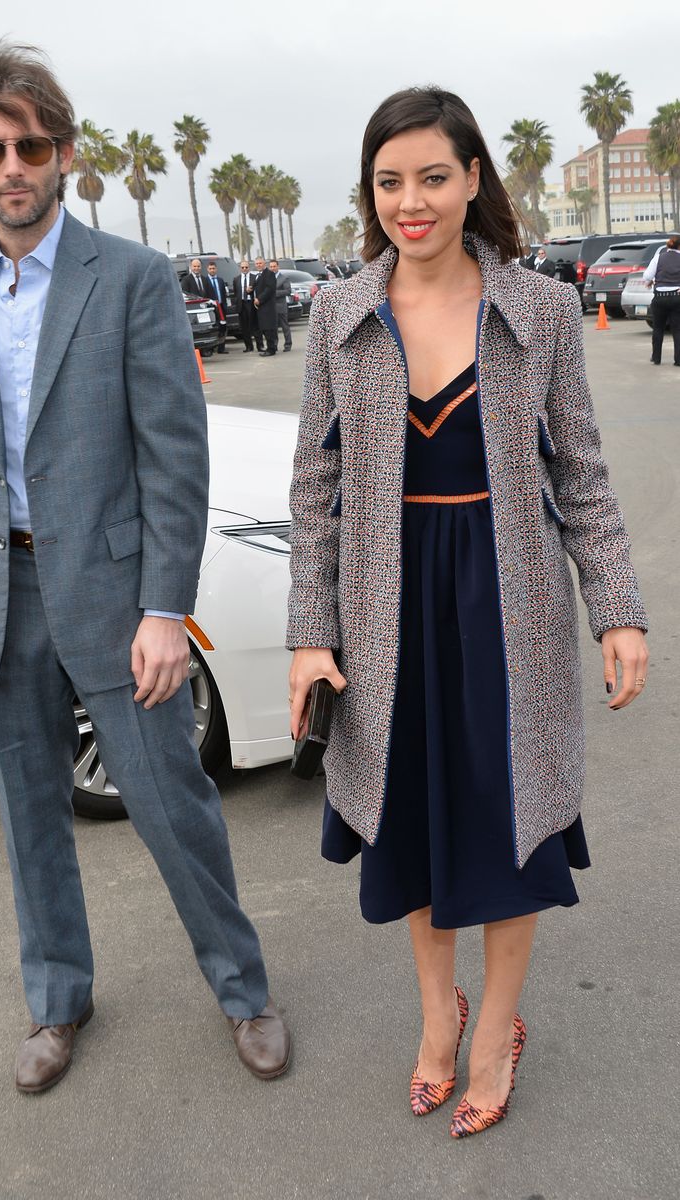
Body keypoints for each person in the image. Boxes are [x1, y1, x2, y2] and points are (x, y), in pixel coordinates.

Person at [0, 39, 290, 1096]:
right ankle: (56, 1001)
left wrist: (168, 607)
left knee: (171, 804)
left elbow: (176, 454)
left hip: (117, 598)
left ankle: (243, 986)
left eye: (31, 144)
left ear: (63, 153)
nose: (12, 164)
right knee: (30, 814)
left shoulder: (131, 278)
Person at [287, 86, 648, 1139]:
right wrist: (314, 632)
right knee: (409, 816)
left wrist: (615, 609)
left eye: (433, 176)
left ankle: (495, 1030)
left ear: (473, 178)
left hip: (509, 600)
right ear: (372, 192)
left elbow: (579, 473)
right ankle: (435, 1019)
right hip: (384, 604)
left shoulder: (537, 309)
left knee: (510, 816)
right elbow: (317, 490)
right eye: (390, 181)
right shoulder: (337, 313)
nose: (412, 200)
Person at [643, 235, 680, 366]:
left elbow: (647, 275)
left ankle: (656, 357)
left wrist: (651, 281)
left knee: (658, 328)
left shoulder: (659, 257)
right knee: (677, 329)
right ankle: (678, 359)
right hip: (677, 297)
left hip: (660, 297)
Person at [253, 256, 277, 356]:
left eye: (260, 263)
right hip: (260, 307)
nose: (259, 265)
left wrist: (259, 299)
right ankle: (270, 348)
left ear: (264, 264)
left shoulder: (269, 274)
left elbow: (269, 289)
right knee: (264, 328)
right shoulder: (257, 275)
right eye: (257, 263)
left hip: (267, 306)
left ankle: (271, 349)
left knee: (269, 328)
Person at [203, 259, 229, 353]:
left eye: (213, 268)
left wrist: (225, 306)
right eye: (210, 269)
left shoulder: (220, 280)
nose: (212, 270)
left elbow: (224, 294)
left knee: (223, 327)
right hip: (211, 308)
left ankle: (221, 348)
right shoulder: (205, 281)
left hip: (221, 307)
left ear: (216, 269)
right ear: (207, 269)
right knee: (213, 327)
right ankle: (211, 348)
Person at [232, 260, 258, 352]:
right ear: (240, 268)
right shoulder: (236, 279)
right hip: (241, 304)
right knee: (244, 327)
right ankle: (248, 346)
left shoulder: (254, 277)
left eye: (246, 267)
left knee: (255, 326)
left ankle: (260, 346)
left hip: (251, 304)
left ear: (249, 268)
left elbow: (258, 290)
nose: (244, 269)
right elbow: (236, 293)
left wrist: (252, 290)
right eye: (242, 267)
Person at [270, 259, 292, 351]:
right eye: (271, 267)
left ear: (278, 267)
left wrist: (274, 293)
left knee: (284, 326)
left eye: (274, 266)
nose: (272, 268)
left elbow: (288, 291)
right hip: (270, 307)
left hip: (281, 306)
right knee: (273, 328)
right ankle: (274, 345)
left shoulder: (284, 278)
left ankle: (288, 344)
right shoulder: (268, 278)